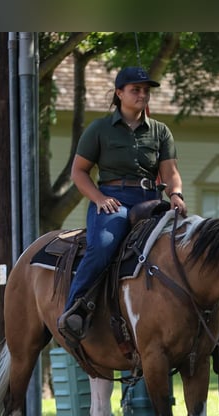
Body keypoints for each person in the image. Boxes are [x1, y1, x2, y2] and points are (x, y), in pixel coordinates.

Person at [58, 66, 187, 341]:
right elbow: (79, 172)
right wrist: (99, 199)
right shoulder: (100, 129)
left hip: (151, 201)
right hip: (113, 202)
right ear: (120, 93)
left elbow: (170, 172)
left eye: (145, 90)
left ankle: (206, 318)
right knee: (103, 246)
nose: (142, 95)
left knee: (185, 245)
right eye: (135, 90)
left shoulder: (160, 132)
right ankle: (75, 310)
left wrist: (175, 194)